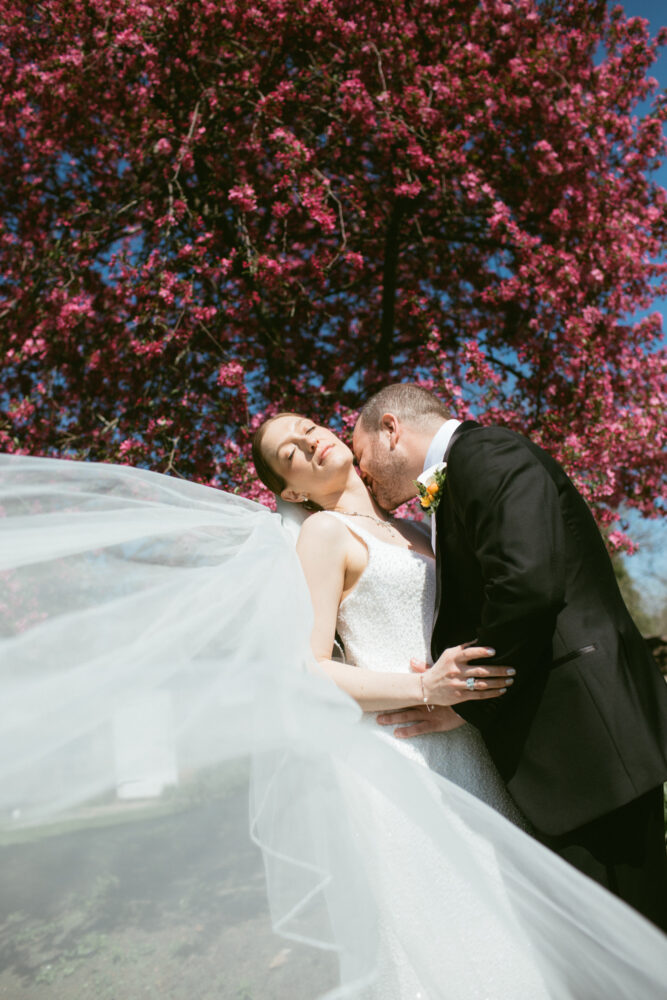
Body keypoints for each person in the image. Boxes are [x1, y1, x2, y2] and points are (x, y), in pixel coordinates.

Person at [1, 451, 666, 1000]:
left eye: (312, 427)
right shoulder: (323, 535)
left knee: (518, 915)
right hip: (407, 756)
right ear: (290, 487)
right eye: (290, 452)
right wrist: (421, 686)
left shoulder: (424, 531)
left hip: (470, 743)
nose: (310, 443)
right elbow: (305, 668)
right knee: (456, 932)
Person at [352, 382, 667, 932]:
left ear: (391, 430)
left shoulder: (486, 454)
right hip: (574, 746)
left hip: (589, 741)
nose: (364, 476)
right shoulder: (465, 470)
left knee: (634, 936)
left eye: (361, 458)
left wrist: (465, 696)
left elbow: (527, 585)